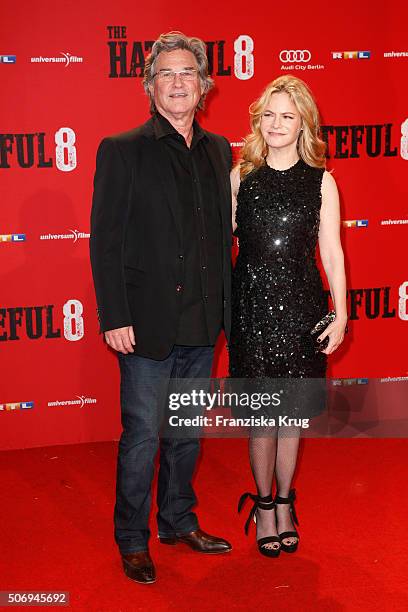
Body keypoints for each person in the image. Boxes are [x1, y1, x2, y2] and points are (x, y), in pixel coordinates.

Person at [90, 31, 233, 584]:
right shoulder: (122, 149)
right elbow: (105, 240)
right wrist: (113, 315)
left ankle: (177, 521)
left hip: (202, 320)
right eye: (166, 75)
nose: (178, 83)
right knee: (145, 433)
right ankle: (132, 538)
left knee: (187, 432)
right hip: (145, 322)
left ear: (203, 86)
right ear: (150, 87)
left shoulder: (221, 150)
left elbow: (222, 237)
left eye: (187, 74)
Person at [229, 76, 347, 557]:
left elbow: (333, 253)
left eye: (288, 115)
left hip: (301, 308)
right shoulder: (241, 176)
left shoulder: (322, 180)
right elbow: (221, 246)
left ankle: (283, 502)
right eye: (270, 114)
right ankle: (261, 507)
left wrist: (341, 313)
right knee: (262, 418)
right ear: (260, 119)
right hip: (251, 307)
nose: (276, 124)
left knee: (291, 417)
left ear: (304, 124)